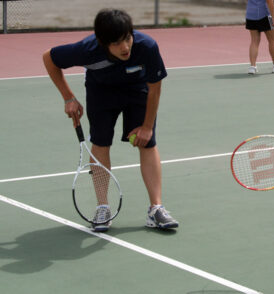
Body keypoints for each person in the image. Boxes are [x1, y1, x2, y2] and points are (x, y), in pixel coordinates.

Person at [42, 8, 179, 232]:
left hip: (137, 90)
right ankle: (103, 207)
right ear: (102, 42)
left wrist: (146, 127)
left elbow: (155, 89)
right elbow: (49, 58)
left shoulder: (146, 47)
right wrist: (69, 97)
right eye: (116, 43)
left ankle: (156, 209)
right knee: (101, 143)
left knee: (148, 143)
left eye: (127, 38)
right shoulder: (87, 50)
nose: (125, 47)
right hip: (101, 92)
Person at [245, 0, 274, 74]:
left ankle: (252, 67)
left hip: (250, 15)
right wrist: (273, 17)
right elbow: (269, 1)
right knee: (272, 40)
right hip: (264, 15)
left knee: (254, 41)